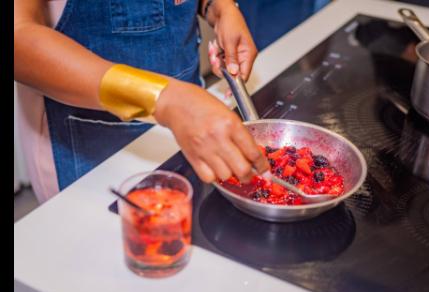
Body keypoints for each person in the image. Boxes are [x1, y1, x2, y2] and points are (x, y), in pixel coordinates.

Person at [14, 0, 269, 203]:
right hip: (92, 149)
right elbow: (19, 36)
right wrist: (165, 99)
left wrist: (219, 6)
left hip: (192, 132)